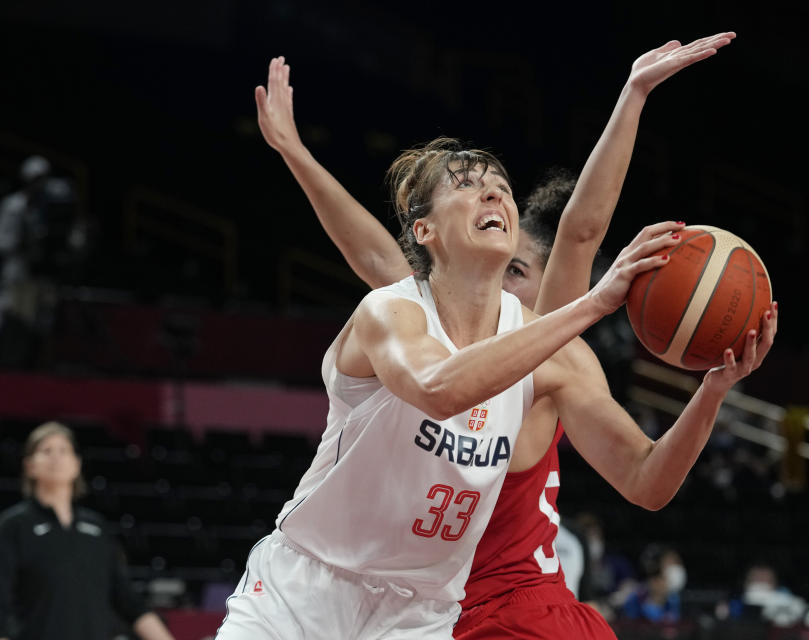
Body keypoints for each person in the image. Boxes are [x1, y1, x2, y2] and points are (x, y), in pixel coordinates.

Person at [251, 32, 773, 639]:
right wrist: (294, 151)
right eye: (472, 191)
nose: (494, 197)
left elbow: (580, 233)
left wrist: (712, 390)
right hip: (381, 592)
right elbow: (374, 255)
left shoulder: (548, 350)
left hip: (495, 607)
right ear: (428, 235)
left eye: (521, 268)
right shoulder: (411, 315)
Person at [0, 422, 175, 640]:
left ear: (76, 464)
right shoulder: (13, 525)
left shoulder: (97, 528)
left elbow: (128, 601)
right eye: (46, 451)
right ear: (29, 465)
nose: (56, 457)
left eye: (64, 450)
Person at [619, 545, 686, 623]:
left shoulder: (674, 599)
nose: (675, 568)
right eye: (670, 563)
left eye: (677, 562)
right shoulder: (635, 598)